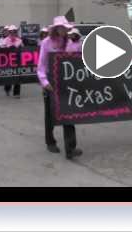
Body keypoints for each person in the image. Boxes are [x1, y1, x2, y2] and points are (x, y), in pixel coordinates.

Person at [38, 16, 82, 160]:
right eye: (61, 28)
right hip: (51, 81)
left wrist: (77, 43)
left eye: (66, 28)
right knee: (50, 113)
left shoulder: (69, 42)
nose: (64, 30)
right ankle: (50, 141)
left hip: (66, 80)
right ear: (56, 28)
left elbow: (76, 58)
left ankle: (70, 147)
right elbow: (41, 66)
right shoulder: (46, 43)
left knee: (69, 112)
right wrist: (45, 82)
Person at [1, 25, 23, 99]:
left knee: (18, 76)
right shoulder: (5, 40)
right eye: (11, 32)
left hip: (17, 61)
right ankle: (7, 88)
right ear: (9, 32)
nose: (13, 33)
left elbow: (23, 50)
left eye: (14, 32)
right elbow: (1, 49)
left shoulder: (19, 40)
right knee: (9, 76)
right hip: (8, 61)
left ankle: (16, 93)